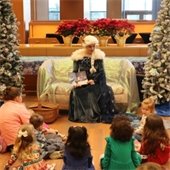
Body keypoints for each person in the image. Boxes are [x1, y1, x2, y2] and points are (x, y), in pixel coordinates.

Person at [69, 35, 118, 123]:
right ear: (84, 46)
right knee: (77, 92)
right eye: (89, 46)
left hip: (97, 82)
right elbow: (75, 72)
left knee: (104, 91)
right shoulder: (78, 56)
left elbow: (101, 72)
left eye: (93, 46)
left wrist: (94, 80)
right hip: (82, 82)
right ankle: (86, 115)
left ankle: (96, 115)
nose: (92, 49)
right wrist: (85, 81)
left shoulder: (98, 56)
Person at [0, 87, 30, 152]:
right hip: (20, 142)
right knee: (51, 138)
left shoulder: (2, 108)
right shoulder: (19, 107)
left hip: (8, 144)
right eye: (21, 96)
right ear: (17, 98)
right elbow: (30, 125)